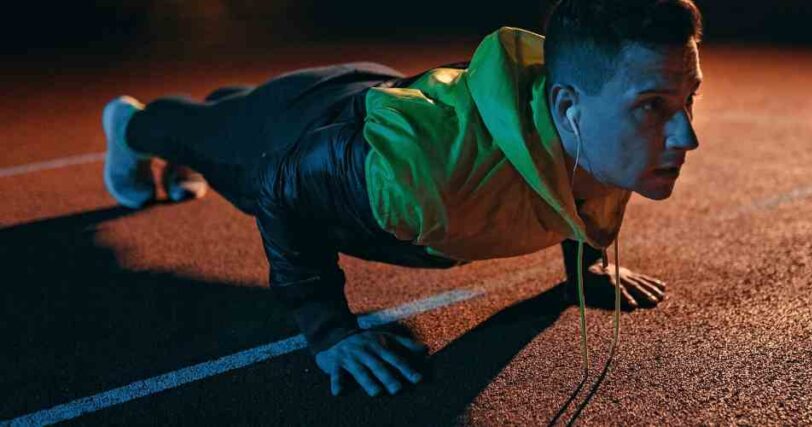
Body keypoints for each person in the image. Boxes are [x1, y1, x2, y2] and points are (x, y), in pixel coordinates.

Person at [100, 0, 703, 398]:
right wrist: (329, 330)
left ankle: (222, 113)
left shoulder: (605, 139)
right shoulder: (425, 174)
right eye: (653, 106)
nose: (688, 137)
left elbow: (584, 195)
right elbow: (281, 184)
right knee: (214, 145)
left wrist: (586, 268)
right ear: (568, 111)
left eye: (689, 99)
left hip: (381, 99)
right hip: (300, 132)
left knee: (227, 117)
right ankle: (131, 125)